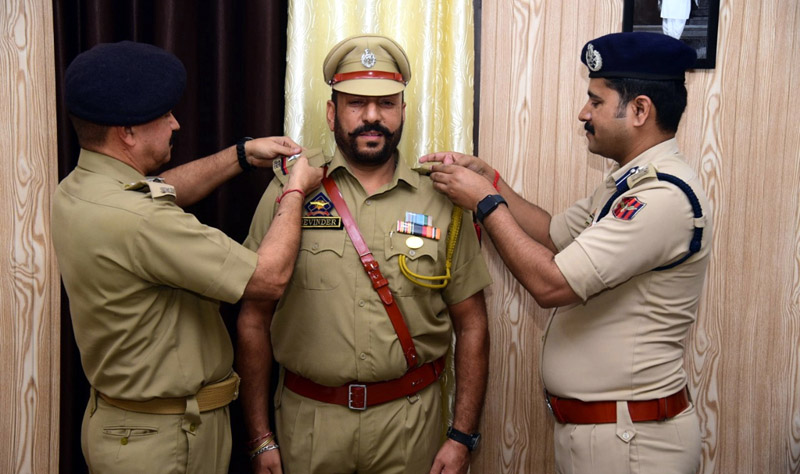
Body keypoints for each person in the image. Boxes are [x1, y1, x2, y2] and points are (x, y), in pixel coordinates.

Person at [422, 32, 711, 473]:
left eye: (595, 101)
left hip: (633, 444)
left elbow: (552, 282)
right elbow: (553, 235)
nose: (583, 113)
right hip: (609, 434)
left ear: (639, 110)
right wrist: (492, 180)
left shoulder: (662, 198)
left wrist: (484, 201)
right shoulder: (629, 183)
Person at [51, 40, 322, 474]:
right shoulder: (141, 222)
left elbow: (161, 189)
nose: (176, 124)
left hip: (125, 427)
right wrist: (295, 190)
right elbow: (268, 277)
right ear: (127, 132)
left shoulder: (78, 189)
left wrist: (240, 155)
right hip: (164, 444)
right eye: (164, 115)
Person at [237, 34, 492, 474]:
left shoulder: (441, 198)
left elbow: (471, 325)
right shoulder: (289, 193)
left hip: (411, 425)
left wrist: (462, 436)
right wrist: (261, 439)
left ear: (403, 112)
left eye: (387, 104)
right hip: (310, 424)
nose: (372, 117)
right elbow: (253, 317)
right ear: (332, 112)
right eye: (356, 103)